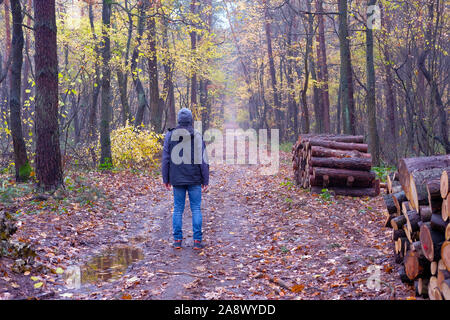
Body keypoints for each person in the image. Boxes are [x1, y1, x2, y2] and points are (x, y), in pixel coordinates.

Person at [161, 108, 209, 250]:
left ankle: (177, 240)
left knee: (177, 209)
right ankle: (197, 242)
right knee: (195, 209)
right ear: (191, 120)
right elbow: (203, 159)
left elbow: (166, 158)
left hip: (176, 178)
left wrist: (166, 178)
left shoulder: (170, 135)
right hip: (194, 178)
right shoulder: (197, 135)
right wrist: (205, 179)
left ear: (178, 120)